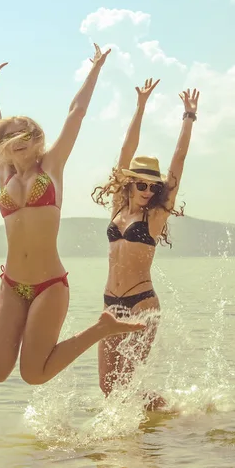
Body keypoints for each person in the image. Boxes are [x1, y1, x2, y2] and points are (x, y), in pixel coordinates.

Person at [0, 43, 146, 386]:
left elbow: (76, 113)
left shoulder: (51, 166)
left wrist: (96, 68)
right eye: (9, 137)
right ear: (4, 145)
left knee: (34, 374)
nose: (16, 140)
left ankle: (102, 328)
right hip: (12, 284)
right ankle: (102, 327)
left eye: (23, 134)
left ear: (35, 138)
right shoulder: (4, 174)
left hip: (48, 285)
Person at [91, 79, 200, 407]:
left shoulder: (155, 216)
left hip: (142, 304)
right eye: (141, 185)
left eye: (153, 187)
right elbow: (125, 151)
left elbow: (177, 163)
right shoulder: (118, 208)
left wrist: (188, 117)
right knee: (108, 387)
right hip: (110, 303)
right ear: (129, 183)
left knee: (124, 385)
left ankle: (137, 443)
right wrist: (140, 106)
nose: (148, 191)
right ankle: (165, 413)